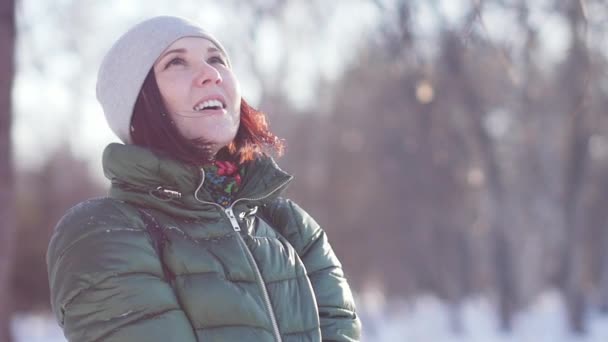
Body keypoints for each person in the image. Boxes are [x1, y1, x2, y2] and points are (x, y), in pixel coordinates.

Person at [46, 15, 361, 342]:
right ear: (139, 101)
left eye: (217, 59)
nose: (210, 74)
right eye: (176, 62)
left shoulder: (291, 226)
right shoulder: (104, 231)